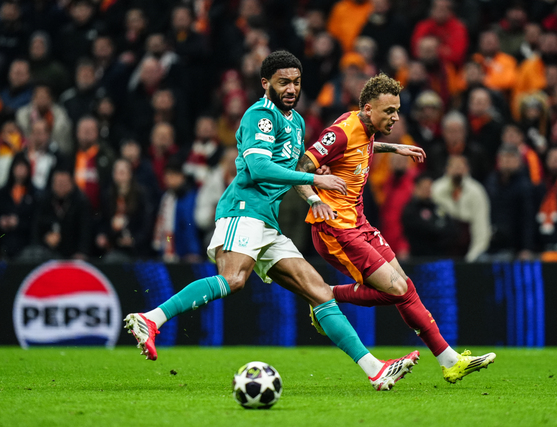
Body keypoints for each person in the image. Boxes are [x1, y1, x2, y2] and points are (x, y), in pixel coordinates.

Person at [124, 51, 419, 391]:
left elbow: (298, 166)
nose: (291, 89)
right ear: (266, 83)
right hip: (244, 209)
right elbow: (259, 168)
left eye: (296, 82)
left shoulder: (296, 122)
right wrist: (316, 181)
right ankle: (151, 319)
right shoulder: (259, 116)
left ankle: (375, 370)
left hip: (268, 221)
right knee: (234, 279)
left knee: (320, 292)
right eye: (283, 82)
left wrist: (317, 194)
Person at [295, 73, 495, 384]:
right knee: (397, 289)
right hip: (335, 229)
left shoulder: (364, 128)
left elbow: (362, 146)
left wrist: (395, 148)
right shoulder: (341, 131)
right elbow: (301, 167)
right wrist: (313, 200)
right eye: (389, 111)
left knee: (405, 287)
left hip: (357, 222)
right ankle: (325, 294)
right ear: (368, 109)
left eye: (397, 110)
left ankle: (450, 361)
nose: (396, 117)